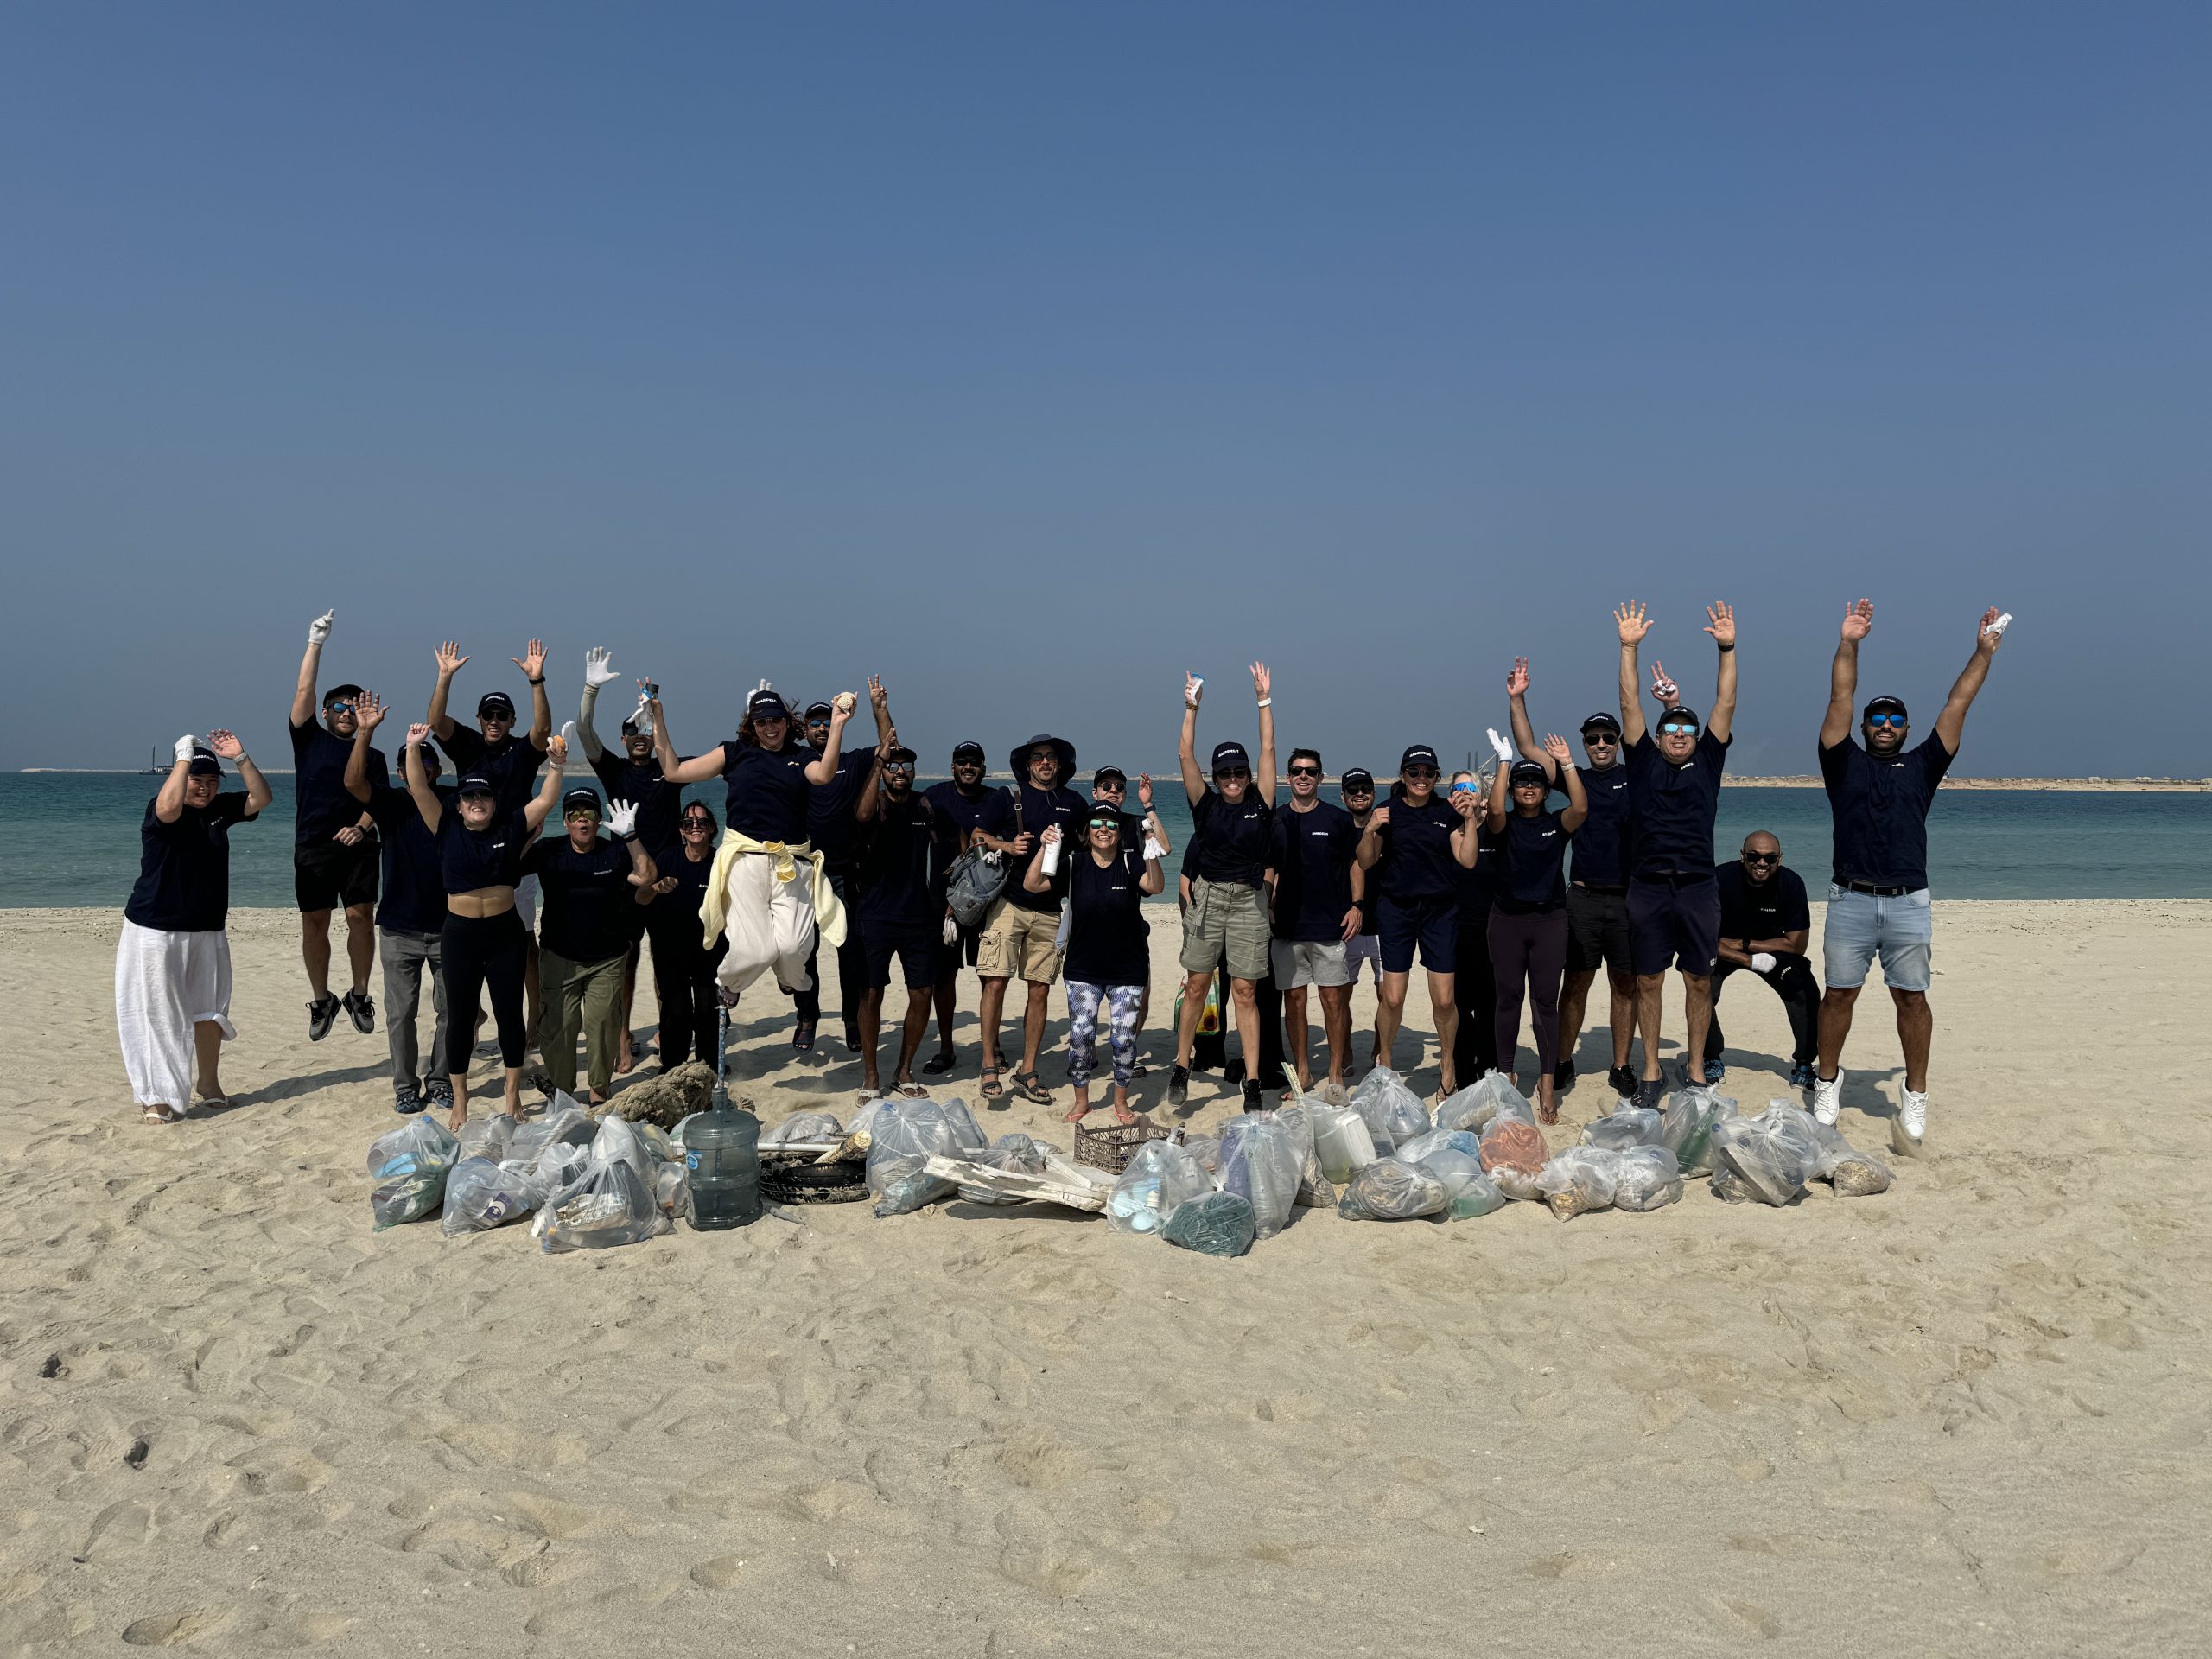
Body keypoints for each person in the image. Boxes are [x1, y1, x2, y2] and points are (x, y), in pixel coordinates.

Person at [1813, 601, 2008, 1151]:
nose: (1885, 726)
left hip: (1908, 901)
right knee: (1838, 997)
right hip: (1849, 898)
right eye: (1878, 718)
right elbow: (1840, 699)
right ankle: (1828, 1082)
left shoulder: (1924, 764)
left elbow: (1958, 702)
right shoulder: (1841, 761)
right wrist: (1849, 642)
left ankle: (1915, 1093)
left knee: (1912, 1000)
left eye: (1896, 719)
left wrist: (1982, 651)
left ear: (1907, 728)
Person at [653, 684, 854, 1028]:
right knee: (755, 951)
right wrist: (658, 718)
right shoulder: (734, 753)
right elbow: (674, 772)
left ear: (787, 722)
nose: (770, 727)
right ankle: (728, 984)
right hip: (745, 859)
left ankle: (787, 978)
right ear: (752, 724)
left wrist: (837, 724)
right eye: (762, 722)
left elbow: (822, 776)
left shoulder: (802, 756)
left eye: (776, 719)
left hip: (792, 863)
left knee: (793, 951)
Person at [399, 721, 566, 1128]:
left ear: (493, 803)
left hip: (505, 932)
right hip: (460, 934)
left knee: (510, 1014)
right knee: (459, 1016)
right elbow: (419, 788)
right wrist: (411, 746)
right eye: (470, 795)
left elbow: (544, 801)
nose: (477, 801)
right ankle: (460, 1099)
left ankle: (511, 1096)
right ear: (459, 803)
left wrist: (557, 765)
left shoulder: (510, 826)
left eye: (484, 796)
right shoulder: (446, 825)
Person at [1614, 600, 1738, 1108]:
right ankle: (1649, 1071)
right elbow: (1628, 706)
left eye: (1688, 729)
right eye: (1673, 729)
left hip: (1697, 887)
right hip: (1647, 887)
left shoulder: (1709, 760)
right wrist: (1628, 649)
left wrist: (1727, 648)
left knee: (1698, 980)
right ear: (1660, 736)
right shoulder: (1642, 760)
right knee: (1648, 980)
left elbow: (1725, 704)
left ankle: (1694, 1071)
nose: (1682, 734)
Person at [117, 732, 270, 1123]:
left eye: (211, 781)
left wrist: (241, 757)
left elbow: (261, 798)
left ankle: (210, 1083)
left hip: (208, 928)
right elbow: (170, 807)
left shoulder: (220, 809)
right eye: (196, 780)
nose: (204, 788)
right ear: (181, 777)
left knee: (210, 1011)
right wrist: (183, 758)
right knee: (158, 1014)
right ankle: (158, 1097)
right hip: (156, 929)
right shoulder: (162, 808)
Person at [1506, 658, 1640, 1098]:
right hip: (1581, 896)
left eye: (1608, 738)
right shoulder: (1572, 777)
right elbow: (1527, 746)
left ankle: (1622, 1066)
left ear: (1619, 742)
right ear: (1583, 745)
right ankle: (1563, 1060)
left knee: (1625, 983)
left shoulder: (1636, 776)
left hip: (1628, 897)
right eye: (1593, 739)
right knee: (1576, 982)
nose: (1601, 744)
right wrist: (1518, 698)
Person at [428, 639, 554, 1047]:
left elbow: (544, 730)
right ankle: (473, 1011)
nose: (495, 721)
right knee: (465, 935)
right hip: (470, 853)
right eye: (488, 715)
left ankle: (533, 1017)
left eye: (502, 715)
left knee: (523, 941)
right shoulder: (466, 743)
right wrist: (444, 676)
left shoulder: (522, 750)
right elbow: (435, 719)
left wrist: (537, 681)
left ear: (511, 720)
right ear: (479, 719)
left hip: (518, 854)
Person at [1168, 664, 1279, 1111]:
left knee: (1246, 992)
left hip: (1250, 902)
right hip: (1209, 899)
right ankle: (1181, 1065)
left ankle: (1252, 1082)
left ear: (1248, 775)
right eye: (1225, 774)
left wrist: (1264, 700)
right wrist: (1191, 707)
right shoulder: (1206, 804)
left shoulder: (1263, 801)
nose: (1232, 780)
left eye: (1239, 773)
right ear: (1215, 777)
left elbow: (1269, 748)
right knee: (1197, 985)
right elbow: (1183, 756)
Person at [344, 692, 452, 1116]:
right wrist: (365, 733)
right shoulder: (390, 805)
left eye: (426, 764)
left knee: (451, 1012)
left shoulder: (455, 802)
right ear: (400, 771)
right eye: (411, 764)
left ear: (437, 770)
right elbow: (353, 784)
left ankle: (441, 1080)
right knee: (399, 1014)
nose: (419, 772)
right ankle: (406, 1085)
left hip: (449, 927)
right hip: (398, 929)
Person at [580, 646, 684, 1074]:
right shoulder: (615, 771)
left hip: (670, 880)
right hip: (624, 880)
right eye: (633, 731)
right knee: (625, 961)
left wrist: (656, 716)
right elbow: (585, 732)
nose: (640, 737)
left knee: (668, 962)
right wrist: (590, 691)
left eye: (646, 731)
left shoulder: (672, 770)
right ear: (624, 739)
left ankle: (667, 1033)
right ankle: (623, 1038)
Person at [1357, 743, 1482, 1096]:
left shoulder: (1449, 812)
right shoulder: (1387, 812)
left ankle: (1447, 1062)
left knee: (1444, 1000)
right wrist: (1368, 830)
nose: (1421, 778)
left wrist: (1470, 819)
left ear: (1437, 778)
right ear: (1403, 775)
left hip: (1440, 913)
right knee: (1392, 998)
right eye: (1415, 772)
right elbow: (1366, 862)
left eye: (1429, 773)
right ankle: (1385, 1063)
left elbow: (1468, 860)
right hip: (1396, 911)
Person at [1029, 806, 1165, 1124]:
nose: (1104, 829)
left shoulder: (1131, 861)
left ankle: (1120, 1102)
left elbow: (1156, 887)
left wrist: (1150, 850)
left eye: (1111, 825)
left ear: (1119, 831)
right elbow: (1033, 885)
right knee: (1081, 1039)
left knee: (1123, 1039)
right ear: (1087, 831)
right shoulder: (1075, 863)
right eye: (1096, 824)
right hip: (1082, 970)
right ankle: (1082, 1102)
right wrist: (1043, 847)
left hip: (1127, 970)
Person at [523, 788, 658, 1103]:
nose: (582, 820)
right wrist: (529, 836)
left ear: (600, 821)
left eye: (590, 814)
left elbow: (648, 876)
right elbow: (503, 866)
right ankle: (563, 1092)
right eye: (574, 814)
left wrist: (631, 836)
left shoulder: (615, 852)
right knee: (560, 1027)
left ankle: (599, 1090)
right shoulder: (549, 850)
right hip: (559, 957)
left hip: (607, 959)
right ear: (566, 821)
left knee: (602, 1026)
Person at [289, 609, 383, 1041]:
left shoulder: (375, 756)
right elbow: (305, 687)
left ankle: (360, 994)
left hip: (360, 847)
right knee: (316, 923)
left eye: (354, 706)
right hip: (313, 845)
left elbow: (380, 802)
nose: (347, 712)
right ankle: (322, 999)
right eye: (340, 707)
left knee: (360, 917)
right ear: (327, 712)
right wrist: (316, 642)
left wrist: (362, 827)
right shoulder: (308, 740)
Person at [976, 733, 1084, 1105]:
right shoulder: (1007, 796)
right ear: (1027, 764)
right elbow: (977, 836)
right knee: (995, 984)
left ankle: (1028, 1070)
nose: (1044, 762)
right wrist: (1007, 845)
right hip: (1008, 903)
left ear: (1059, 763)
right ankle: (989, 1063)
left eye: (1050, 757)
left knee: (1039, 990)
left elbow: (1092, 845)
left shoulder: (1074, 802)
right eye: (1037, 757)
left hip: (1053, 910)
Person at [1483, 738, 1587, 1122]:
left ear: (1545, 792)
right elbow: (1493, 808)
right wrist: (1506, 762)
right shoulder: (1503, 824)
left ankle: (1546, 1079)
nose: (1529, 788)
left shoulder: (1555, 825)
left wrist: (1567, 763)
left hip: (1549, 921)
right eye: (1522, 784)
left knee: (1545, 1002)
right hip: (1507, 921)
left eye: (1536, 784)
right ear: (1513, 791)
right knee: (1507, 998)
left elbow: (1580, 806)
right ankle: (1507, 1073)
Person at [851, 700, 943, 1097]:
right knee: (871, 993)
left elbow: (959, 843)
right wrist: (877, 759)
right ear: (884, 769)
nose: (900, 770)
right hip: (875, 914)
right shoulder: (876, 800)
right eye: (894, 765)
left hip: (919, 917)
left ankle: (903, 1070)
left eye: (907, 766)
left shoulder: (925, 805)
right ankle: (871, 1075)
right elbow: (863, 816)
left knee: (922, 993)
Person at [921, 741, 1020, 1077]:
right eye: (962, 762)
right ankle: (946, 1047)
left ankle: (991, 1046)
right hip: (943, 904)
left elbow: (1007, 849)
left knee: (989, 978)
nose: (968, 767)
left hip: (988, 906)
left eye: (974, 762)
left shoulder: (996, 801)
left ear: (983, 767)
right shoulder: (934, 796)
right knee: (943, 978)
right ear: (952, 767)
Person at [1267, 747, 1363, 1091]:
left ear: (1321, 777)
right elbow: (1269, 867)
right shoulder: (1275, 819)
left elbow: (1355, 863)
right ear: (1288, 777)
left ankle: (1335, 1074)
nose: (1303, 776)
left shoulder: (1337, 820)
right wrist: (1266, 903)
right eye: (1297, 771)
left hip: (1329, 925)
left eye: (1311, 771)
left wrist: (1357, 905)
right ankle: (1304, 1073)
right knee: (1294, 1002)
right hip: (1287, 927)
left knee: (1333, 1000)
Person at [792, 696, 880, 1054]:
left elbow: (887, 746)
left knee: (849, 949)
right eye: (814, 723)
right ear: (805, 730)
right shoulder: (794, 761)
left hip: (844, 871)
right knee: (801, 947)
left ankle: (850, 1020)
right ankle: (807, 1016)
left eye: (826, 721)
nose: (822, 727)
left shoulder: (851, 761)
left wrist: (879, 708)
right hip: (802, 870)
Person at [1707, 832, 1820, 1090]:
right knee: (1699, 980)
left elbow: (1796, 945)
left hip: (1767, 948)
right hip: (1723, 949)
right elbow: (1700, 937)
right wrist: (1741, 956)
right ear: (1742, 855)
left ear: (1779, 859)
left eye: (1769, 857)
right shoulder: (1719, 879)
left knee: (1802, 985)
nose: (1761, 863)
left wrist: (1747, 945)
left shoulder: (1791, 884)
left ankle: (1804, 1065)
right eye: (1754, 856)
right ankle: (1710, 1056)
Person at [1090, 766, 1171, 1073]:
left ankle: (1127, 1051)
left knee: (1140, 995)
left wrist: (1148, 805)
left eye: (1119, 787)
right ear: (1095, 792)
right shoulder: (1088, 824)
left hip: (1130, 926)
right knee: (1091, 994)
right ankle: (1089, 1048)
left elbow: (1163, 848)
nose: (1113, 790)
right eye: (1106, 785)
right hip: (1092, 928)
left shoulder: (1136, 824)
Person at [642, 798, 729, 1073]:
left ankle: (709, 1066)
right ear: (681, 830)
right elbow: (641, 897)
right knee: (675, 1012)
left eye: (702, 822)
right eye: (689, 823)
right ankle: (672, 1064)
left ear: (712, 829)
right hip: (671, 953)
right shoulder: (667, 858)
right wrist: (656, 887)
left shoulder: (721, 862)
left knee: (708, 1011)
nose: (695, 827)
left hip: (711, 953)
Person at [1446, 770, 1501, 1089]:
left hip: (1494, 931)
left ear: (1481, 794)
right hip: (1456, 930)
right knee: (1460, 1005)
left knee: (1490, 1004)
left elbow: (1498, 812)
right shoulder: (1449, 832)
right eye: (1456, 789)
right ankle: (1464, 1073)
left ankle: (1491, 1069)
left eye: (1468, 788)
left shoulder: (1497, 831)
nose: (1462, 794)